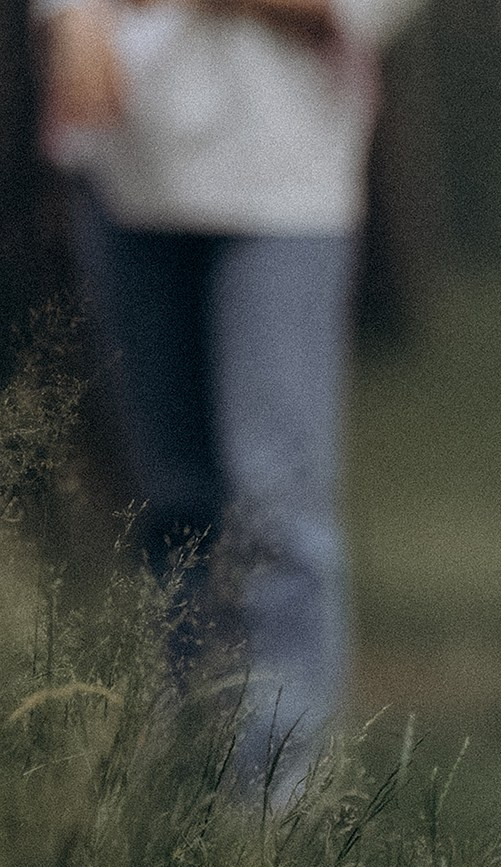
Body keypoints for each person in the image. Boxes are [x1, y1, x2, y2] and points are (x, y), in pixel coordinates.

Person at [39, 0, 418, 800]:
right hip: (127, 156)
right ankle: (193, 781)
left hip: (287, 177)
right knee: (172, 502)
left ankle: (275, 808)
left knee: (277, 508)